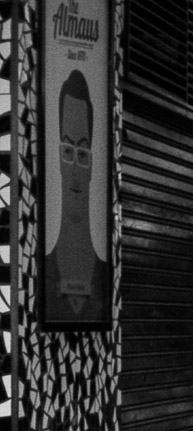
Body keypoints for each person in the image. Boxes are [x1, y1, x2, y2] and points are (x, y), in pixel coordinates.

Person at [45, 69, 106, 322]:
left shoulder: (104, 274)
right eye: (67, 151)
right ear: (58, 159)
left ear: (92, 164)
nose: (73, 171)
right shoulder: (44, 270)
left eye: (82, 154)